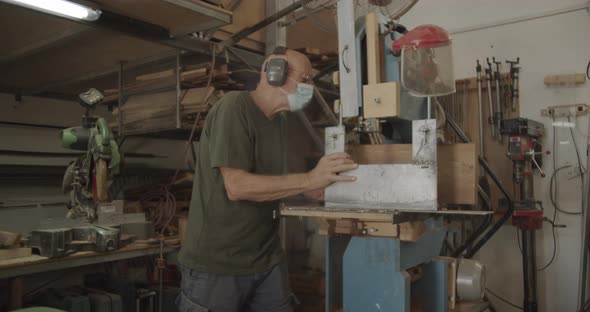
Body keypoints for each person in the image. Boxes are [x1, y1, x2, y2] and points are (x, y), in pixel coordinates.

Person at [176, 48, 357, 312]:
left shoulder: (280, 122)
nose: (310, 87)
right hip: (219, 263)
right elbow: (237, 186)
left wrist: (308, 191)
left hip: (266, 258)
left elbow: (270, 183)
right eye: (305, 78)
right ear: (274, 73)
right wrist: (308, 179)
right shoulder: (234, 106)